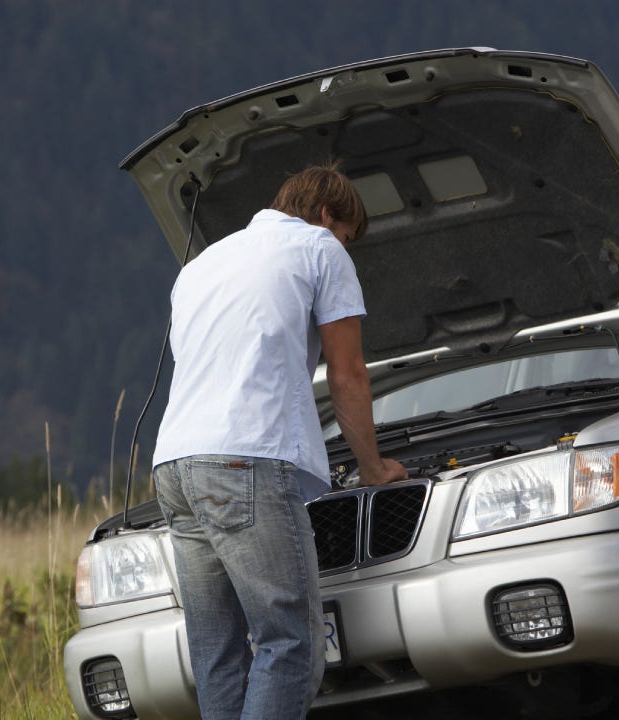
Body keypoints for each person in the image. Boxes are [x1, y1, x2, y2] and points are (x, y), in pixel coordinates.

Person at [152, 164, 408, 720]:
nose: (346, 248)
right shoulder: (321, 249)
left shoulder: (203, 264)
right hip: (247, 460)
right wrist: (373, 468)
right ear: (325, 216)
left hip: (174, 464)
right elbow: (347, 373)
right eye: (347, 236)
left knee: (217, 654)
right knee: (291, 646)